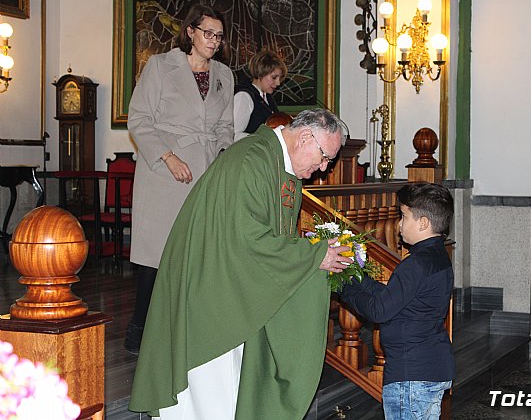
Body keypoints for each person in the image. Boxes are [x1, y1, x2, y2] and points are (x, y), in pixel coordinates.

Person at [128, 109, 353, 419]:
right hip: (212, 295)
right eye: (325, 156)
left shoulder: (276, 166)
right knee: (210, 396)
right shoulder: (251, 161)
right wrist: (314, 255)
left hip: (233, 288)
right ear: (304, 137)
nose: (325, 168)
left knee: (225, 394)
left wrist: (309, 254)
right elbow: (247, 239)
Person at [124, 4, 234, 355]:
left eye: (219, 35)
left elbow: (225, 128)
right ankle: (139, 329)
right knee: (156, 253)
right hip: (163, 171)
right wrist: (168, 156)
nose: (214, 41)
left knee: (195, 254)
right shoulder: (160, 66)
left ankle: (182, 329)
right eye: (208, 33)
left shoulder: (224, 76)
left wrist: (221, 156)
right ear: (190, 31)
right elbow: (139, 120)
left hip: (204, 172)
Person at [338, 183, 455, 420]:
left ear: (423, 223)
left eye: (403, 216)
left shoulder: (416, 263)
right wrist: (355, 275)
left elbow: (379, 310)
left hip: (411, 374)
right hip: (432, 367)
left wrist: (342, 286)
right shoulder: (437, 257)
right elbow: (392, 297)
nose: (399, 224)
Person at [233, 49, 287, 140]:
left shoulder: (267, 97)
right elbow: (235, 135)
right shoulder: (244, 96)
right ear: (260, 73)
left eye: (279, 78)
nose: (278, 83)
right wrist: (265, 138)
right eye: (274, 77)